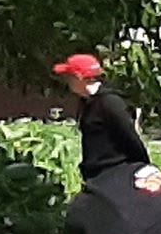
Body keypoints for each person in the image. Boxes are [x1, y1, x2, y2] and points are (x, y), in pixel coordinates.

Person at [56, 52, 152, 186]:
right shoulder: (86, 102)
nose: (67, 82)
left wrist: (145, 167)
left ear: (79, 77)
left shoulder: (110, 103)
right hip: (97, 175)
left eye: (69, 77)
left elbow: (129, 136)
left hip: (115, 175)